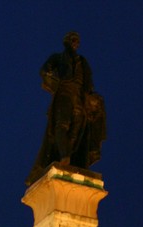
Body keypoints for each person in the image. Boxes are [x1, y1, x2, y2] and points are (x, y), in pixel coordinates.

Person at [26, 32, 106, 185]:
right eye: (73, 40)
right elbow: (44, 70)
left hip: (79, 98)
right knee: (61, 126)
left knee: (76, 132)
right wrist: (55, 85)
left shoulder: (83, 62)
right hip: (63, 94)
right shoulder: (57, 57)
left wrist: (91, 100)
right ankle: (64, 156)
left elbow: (88, 84)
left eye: (77, 41)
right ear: (66, 42)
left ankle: (71, 159)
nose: (76, 43)